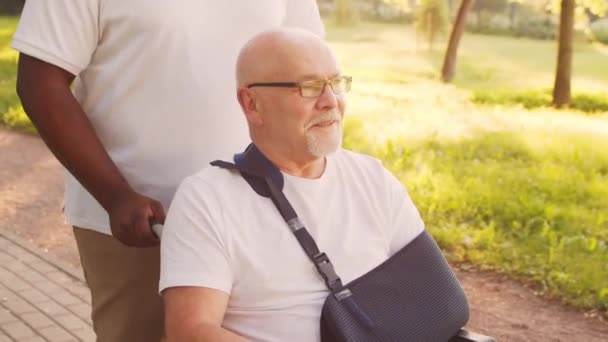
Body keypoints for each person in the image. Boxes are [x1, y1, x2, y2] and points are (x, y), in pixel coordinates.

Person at [12, 1, 324, 341]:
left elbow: (309, 65)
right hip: (144, 221)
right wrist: (115, 196)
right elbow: (40, 84)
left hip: (266, 212)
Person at [159, 28, 426, 342]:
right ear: (252, 104)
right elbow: (190, 332)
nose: (331, 102)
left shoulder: (373, 179)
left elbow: (429, 293)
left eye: (336, 83)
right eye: (310, 87)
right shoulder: (206, 199)